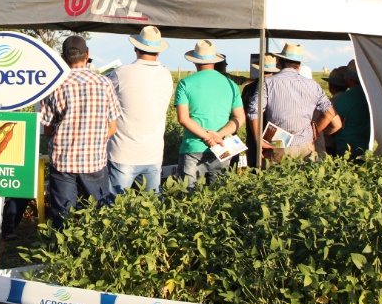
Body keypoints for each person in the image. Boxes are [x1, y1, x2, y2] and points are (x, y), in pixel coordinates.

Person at [41, 35, 121, 228]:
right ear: (87, 55)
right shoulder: (104, 83)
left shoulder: (54, 85)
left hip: (63, 160)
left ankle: (63, 253)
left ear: (63, 57)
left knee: (63, 216)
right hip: (94, 160)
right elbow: (112, 127)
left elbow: (48, 128)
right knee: (100, 214)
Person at [106, 26, 174, 194]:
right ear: (158, 52)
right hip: (153, 152)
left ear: (135, 48)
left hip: (123, 152)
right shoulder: (166, 75)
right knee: (151, 209)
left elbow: (102, 92)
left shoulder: (121, 73)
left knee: (115, 209)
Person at [247, 42, 337, 163]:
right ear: (299, 65)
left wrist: (258, 140)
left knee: (274, 180)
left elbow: (254, 112)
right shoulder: (313, 85)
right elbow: (329, 114)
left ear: (280, 62)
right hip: (306, 145)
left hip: (277, 143)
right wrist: (313, 132)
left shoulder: (267, 83)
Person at [174, 40, 246, 190]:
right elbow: (240, 118)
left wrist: (207, 137)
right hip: (222, 146)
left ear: (195, 61)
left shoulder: (185, 83)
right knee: (219, 195)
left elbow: (183, 119)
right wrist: (218, 136)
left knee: (188, 196)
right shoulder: (231, 84)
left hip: (192, 146)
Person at [325, 60, 372, 159]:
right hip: (371, 147)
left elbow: (333, 122)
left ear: (349, 79)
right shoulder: (372, 95)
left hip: (348, 150)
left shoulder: (345, 98)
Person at [240, 54, 279, 168]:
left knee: (254, 167)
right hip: (273, 134)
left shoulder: (249, 88)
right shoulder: (277, 86)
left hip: (252, 133)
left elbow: (244, 110)